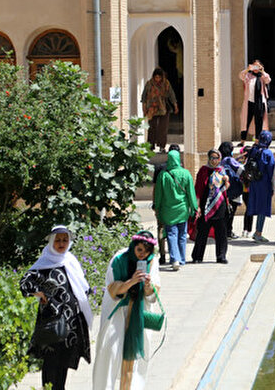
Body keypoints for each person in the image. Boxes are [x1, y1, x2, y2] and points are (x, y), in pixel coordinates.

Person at [21, 225, 93, 390]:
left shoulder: (71, 261)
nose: (61, 243)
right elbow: (25, 283)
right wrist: (39, 293)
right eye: (58, 240)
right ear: (51, 241)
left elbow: (84, 287)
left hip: (72, 322)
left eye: (65, 240)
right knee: (51, 360)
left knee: (64, 360)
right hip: (51, 322)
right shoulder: (44, 263)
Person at [92, 231, 161, 390]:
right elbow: (112, 290)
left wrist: (149, 286)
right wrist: (131, 282)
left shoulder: (152, 262)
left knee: (134, 361)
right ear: (133, 247)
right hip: (116, 315)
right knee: (109, 355)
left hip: (138, 315)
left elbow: (154, 293)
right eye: (139, 250)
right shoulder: (119, 259)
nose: (143, 255)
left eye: (147, 251)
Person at [153, 149, 197, 271]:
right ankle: (182, 259)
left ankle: (174, 259)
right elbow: (191, 193)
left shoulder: (163, 175)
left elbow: (158, 195)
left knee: (172, 234)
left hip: (168, 210)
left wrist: (157, 208)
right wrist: (194, 208)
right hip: (182, 210)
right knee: (182, 234)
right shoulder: (186, 174)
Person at [191, 149, 229, 264]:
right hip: (206, 206)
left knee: (221, 232)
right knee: (202, 232)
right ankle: (197, 256)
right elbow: (198, 188)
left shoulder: (222, 171)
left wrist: (226, 182)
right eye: (212, 158)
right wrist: (197, 206)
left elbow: (225, 189)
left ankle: (221, 256)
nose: (214, 160)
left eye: (216, 158)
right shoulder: (203, 170)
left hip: (219, 206)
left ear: (220, 159)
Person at [151, 143, 180, 265]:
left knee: (161, 228)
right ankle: (176, 254)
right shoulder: (180, 168)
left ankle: (162, 254)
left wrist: (154, 203)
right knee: (176, 229)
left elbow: (155, 188)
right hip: (176, 205)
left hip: (162, 204)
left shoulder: (159, 168)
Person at [245, 130, 275, 243]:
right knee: (262, 208)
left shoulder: (254, 150)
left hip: (254, 183)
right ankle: (258, 233)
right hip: (264, 183)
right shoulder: (268, 153)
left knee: (255, 206)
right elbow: (271, 169)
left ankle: (254, 230)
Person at [141, 67, 177, 153]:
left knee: (163, 128)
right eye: (156, 77)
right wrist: (144, 109)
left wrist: (175, 106)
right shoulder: (149, 84)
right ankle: (150, 146)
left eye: (159, 77)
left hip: (163, 108)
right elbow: (144, 97)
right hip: (151, 110)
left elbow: (171, 95)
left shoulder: (166, 84)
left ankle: (162, 146)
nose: (157, 79)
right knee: (152, 128)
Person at [218, 141, 245, 240]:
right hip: (233, 189)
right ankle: (228, 232)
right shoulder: (229, 159)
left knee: (224, 212)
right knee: (231, 212)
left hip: (223, 190)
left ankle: (223, 231)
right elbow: (241, 169)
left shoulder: (220, 159)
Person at [239, 60, 271, 141]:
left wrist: (262, 71)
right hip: (249, 102)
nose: (256, 68)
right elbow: (241, 76)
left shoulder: (262, 76)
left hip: (260, 102)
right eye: (254, 66)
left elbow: (268, 80)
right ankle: (243, 140)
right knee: (246, 121)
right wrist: (247, 69)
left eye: (257, 66)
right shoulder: (248, 75)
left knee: (259, 121)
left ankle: (257, 140)